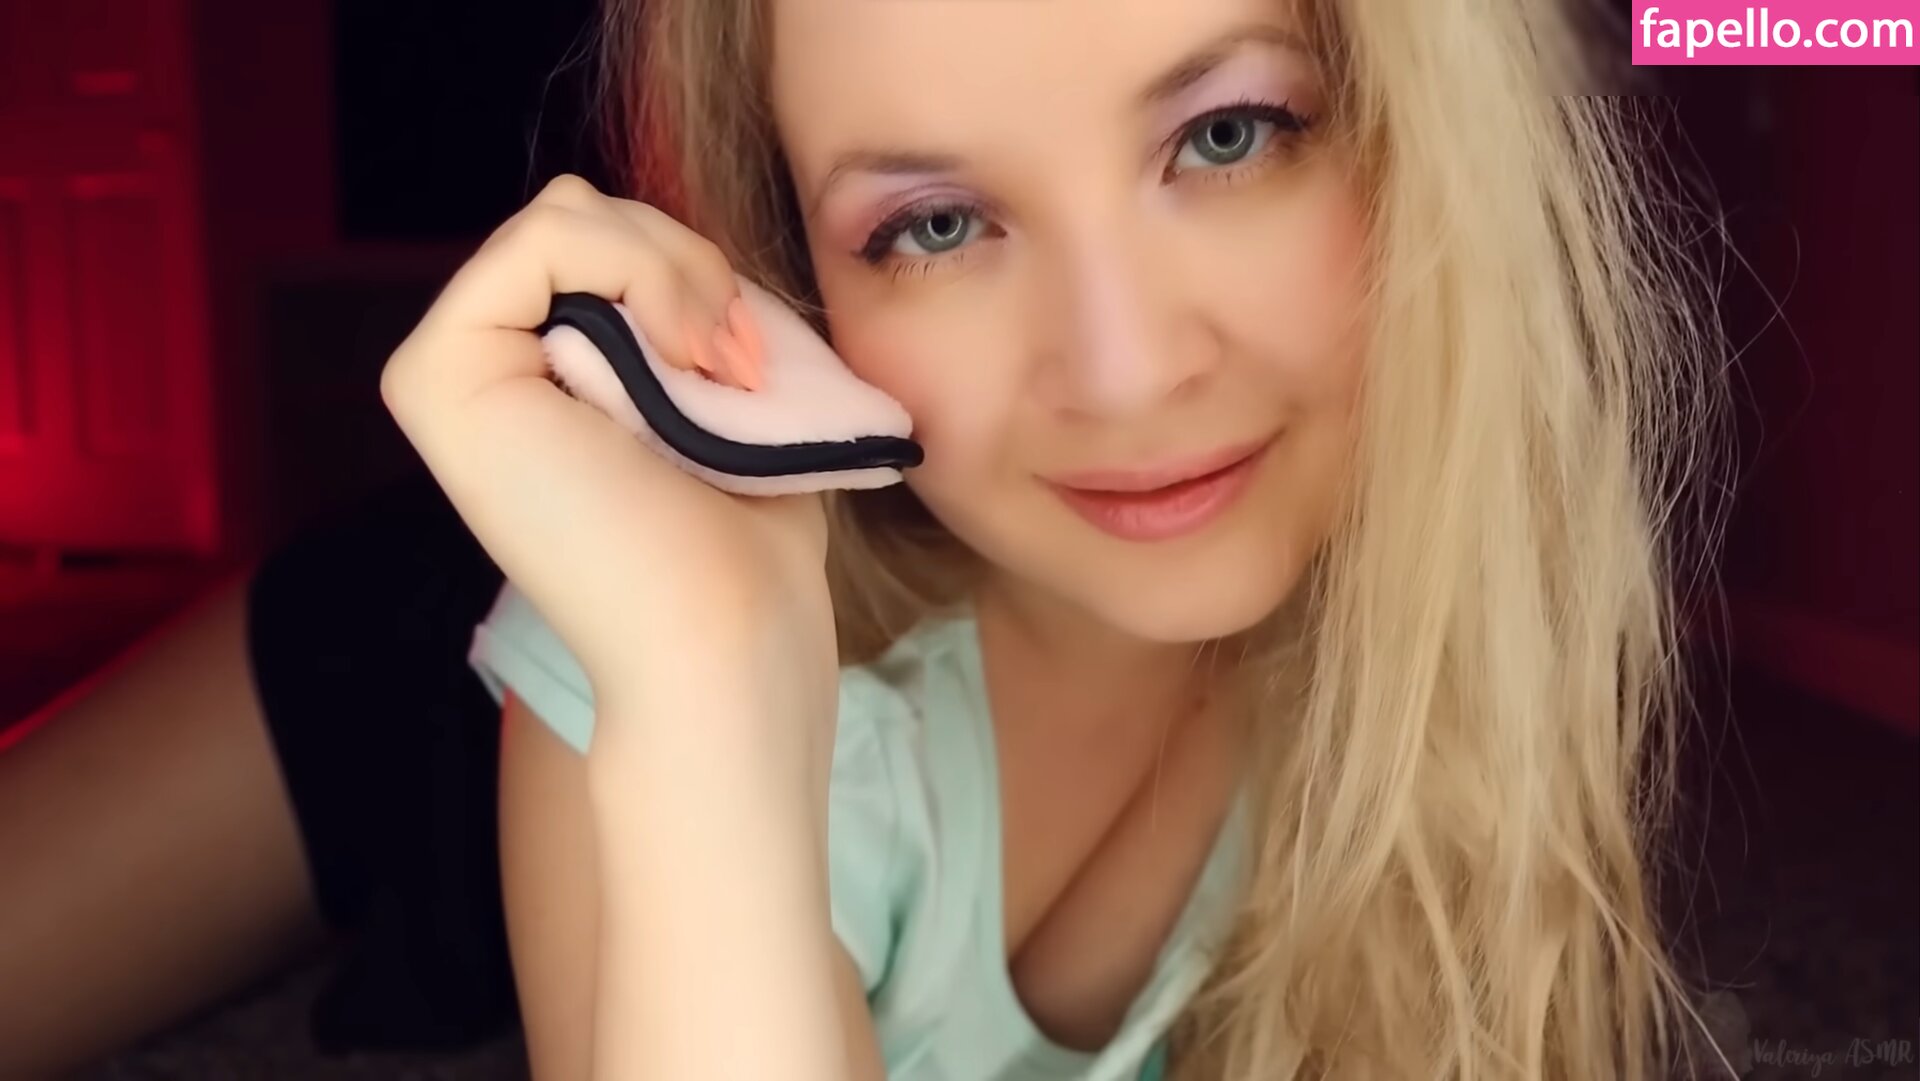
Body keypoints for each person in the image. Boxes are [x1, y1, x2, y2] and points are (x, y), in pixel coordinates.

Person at [0, 0, 1739, 1077]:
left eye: (1227, 134)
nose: (1126, 373)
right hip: (439, 658)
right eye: (936, 223)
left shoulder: (1457, 610)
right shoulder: (661, 636)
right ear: (795, 277)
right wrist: (700, 679)